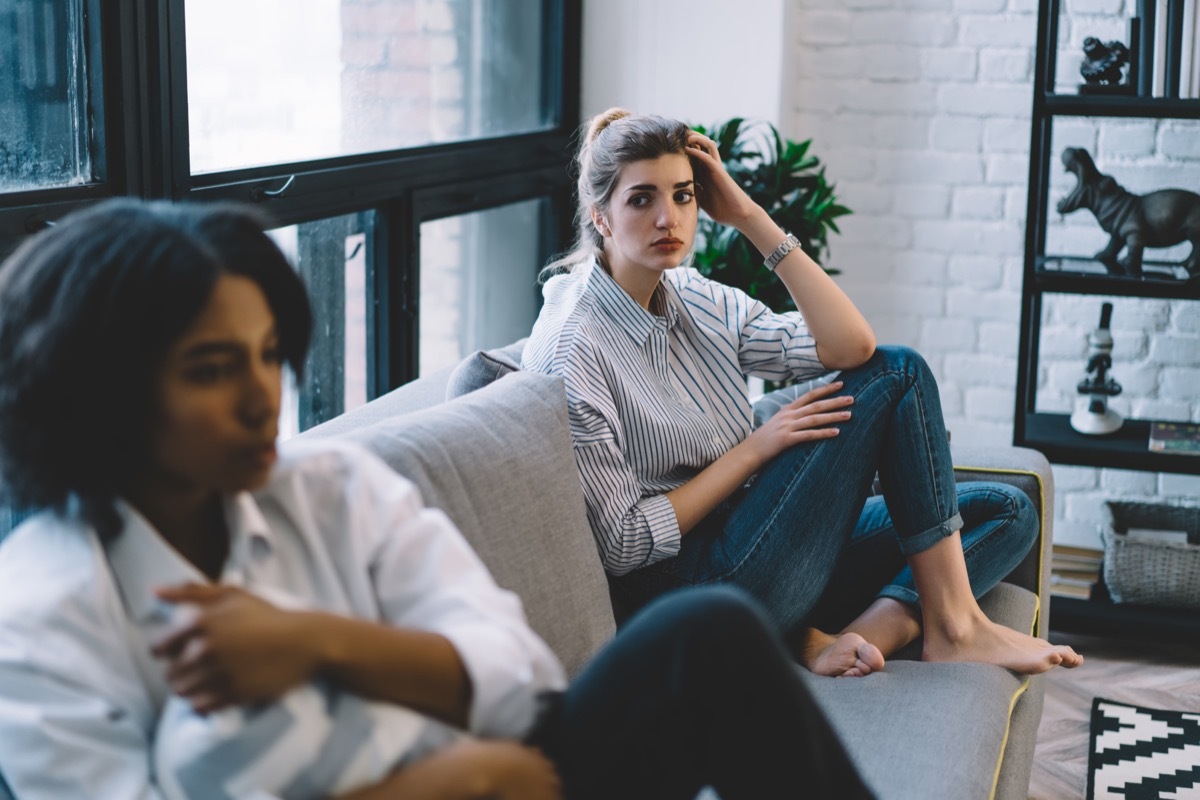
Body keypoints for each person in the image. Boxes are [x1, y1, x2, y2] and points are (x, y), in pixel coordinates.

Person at [0, 198, 875, 800]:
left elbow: (519, 674)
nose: (262, 396)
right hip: (476, 781)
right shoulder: (43, 609)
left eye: (269, 355)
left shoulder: (329, 489)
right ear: (100, 393)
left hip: (506, 778)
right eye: (211, 369)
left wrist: (320, 644)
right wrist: (458, 781)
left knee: (707, 634)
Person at [522, 108, 1084, 679]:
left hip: (761, 542)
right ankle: (953, 627)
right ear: (601, 216)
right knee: (900, 374)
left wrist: (749, 216)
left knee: (1007, 511)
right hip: (689, 589)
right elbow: (623, 543)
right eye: (642, 199)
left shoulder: (691, 295)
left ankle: (856, 634)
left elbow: (849, 346)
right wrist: (757, 448)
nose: (669, 217)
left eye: (684, 195)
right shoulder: (575, 346)